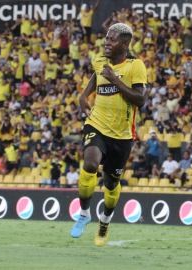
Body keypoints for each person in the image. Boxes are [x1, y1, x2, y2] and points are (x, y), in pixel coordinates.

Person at [71, 23, 147, 246]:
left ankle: (104, 221)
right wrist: (83, 96)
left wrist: (115, 79)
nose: (107, 42)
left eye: (112, 40)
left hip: (122, 135)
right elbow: (96, 78)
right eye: (106, 38)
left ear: (125, 44)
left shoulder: (136, 66)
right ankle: (84, 214)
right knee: (91, 165)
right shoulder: (99, 62)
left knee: (111, 182)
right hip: (96, 125)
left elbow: (140, 99)